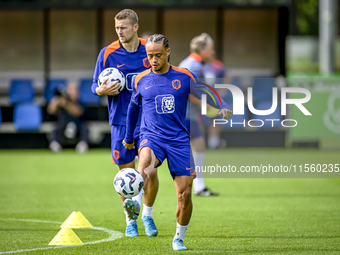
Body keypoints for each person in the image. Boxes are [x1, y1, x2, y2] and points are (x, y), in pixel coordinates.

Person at [123, 34, 232, 250]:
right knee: (144, 163)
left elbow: (205, 92)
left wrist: (222, 105)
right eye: (150, 55)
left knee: (185, 193)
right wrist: (128, 138)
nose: (153, 60)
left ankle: (178, 238)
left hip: (179, 140)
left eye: (158, 55)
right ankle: (135, 201)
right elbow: (133, 108)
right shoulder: (140, 79)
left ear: (168, 52)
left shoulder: (184, 77)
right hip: (151, 136)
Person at [91, 9, 158, 237]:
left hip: (148, 120)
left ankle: (147, 216)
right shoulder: (107, 53)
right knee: (125, 175)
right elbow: (94, 86)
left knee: (149, 168)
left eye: (124, 28)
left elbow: (165, 77)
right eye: (117, 28)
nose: (119, 32)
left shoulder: (150, 50)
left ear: (135, 27)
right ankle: (131, 221)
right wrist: (101, 89)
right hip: (120, 120)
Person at [179, 33, 219, 196]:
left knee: (197, 146)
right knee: (197, 147)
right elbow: (188, 91)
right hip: (186, 113)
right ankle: (196, 186)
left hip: (188, 113)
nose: (213, 52)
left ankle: (198, 186)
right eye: (210, 49)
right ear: (201, 49)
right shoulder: (195, 65)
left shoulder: (190, 63)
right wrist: (207, 106)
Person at [47, 82, 89, 153]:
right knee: (55, 128)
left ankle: (83, 144)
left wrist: (66, 104)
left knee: (85, 128)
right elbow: (50, 111)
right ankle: (55, 144)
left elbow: (78, 112)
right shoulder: (62, 101)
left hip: (77, 126)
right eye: (70, 91)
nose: (71, 94)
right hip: (63, 125)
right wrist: (55, 100)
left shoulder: (80, 102)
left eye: (73, 91)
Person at [203, 57, 232, 149]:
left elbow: (228, 75)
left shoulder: (217, 64)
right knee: (197, 120)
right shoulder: (197, 64)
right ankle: (200, 142)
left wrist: (221, 92)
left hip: (213, 99)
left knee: (214, 120)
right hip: (200, 97)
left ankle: (213, 144)